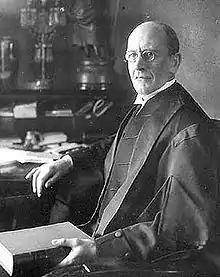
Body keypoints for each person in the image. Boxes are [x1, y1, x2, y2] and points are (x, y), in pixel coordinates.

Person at [26, 21, 220, 272]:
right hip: (104, 240)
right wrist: (68, 160)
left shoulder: (189, 129)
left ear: (174, 62)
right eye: (132, 55)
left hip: (137, 261)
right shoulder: (149, 103)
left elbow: (184, 229)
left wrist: (99, 249)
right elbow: (116, 145)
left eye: (149, 55)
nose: (138, 65)